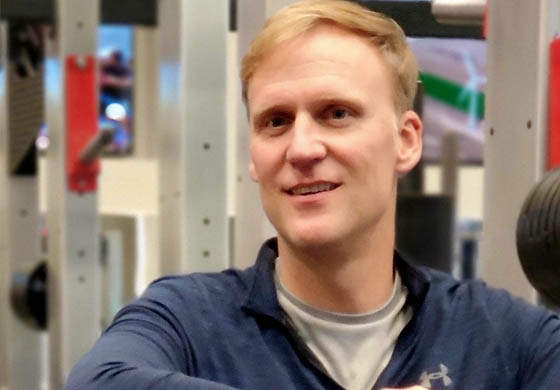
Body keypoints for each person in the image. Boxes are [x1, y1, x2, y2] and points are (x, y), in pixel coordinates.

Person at [66, 1, 560, 389]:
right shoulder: (186, 321)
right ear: (254, 158)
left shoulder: (499, 338)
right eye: (275, 122)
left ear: (406, 140)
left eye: (336, 113)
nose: (301, 148)